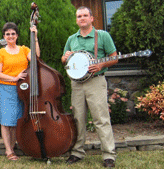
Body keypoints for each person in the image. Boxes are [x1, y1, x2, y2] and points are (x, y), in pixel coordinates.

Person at [61, 6, 118, 168]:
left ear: (92, 18)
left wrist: (101, 65)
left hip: (96, 81)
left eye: (85, 15)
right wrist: (65, 57)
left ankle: (109, 155)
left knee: (101, 119)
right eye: (79, 16)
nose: (82, 18)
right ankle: (77, 152)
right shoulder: (72, 39)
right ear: (76, 19)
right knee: (78, 119)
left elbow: (114, 58)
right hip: (77, 83)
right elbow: (63, 59)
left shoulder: (103, 36)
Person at [0, 22, 39, 161]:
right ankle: (8, 150)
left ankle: (12, 147)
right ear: (4, 36)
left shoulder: (24, 49)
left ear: (17, 35)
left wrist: (34, 37)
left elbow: (36, 58)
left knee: (16, 120)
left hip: (22, 89)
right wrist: (14, 78)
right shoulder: (0, 52)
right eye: (7, 34)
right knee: (6, 122)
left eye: (13, 34)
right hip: (5, 88)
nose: (10, 36)